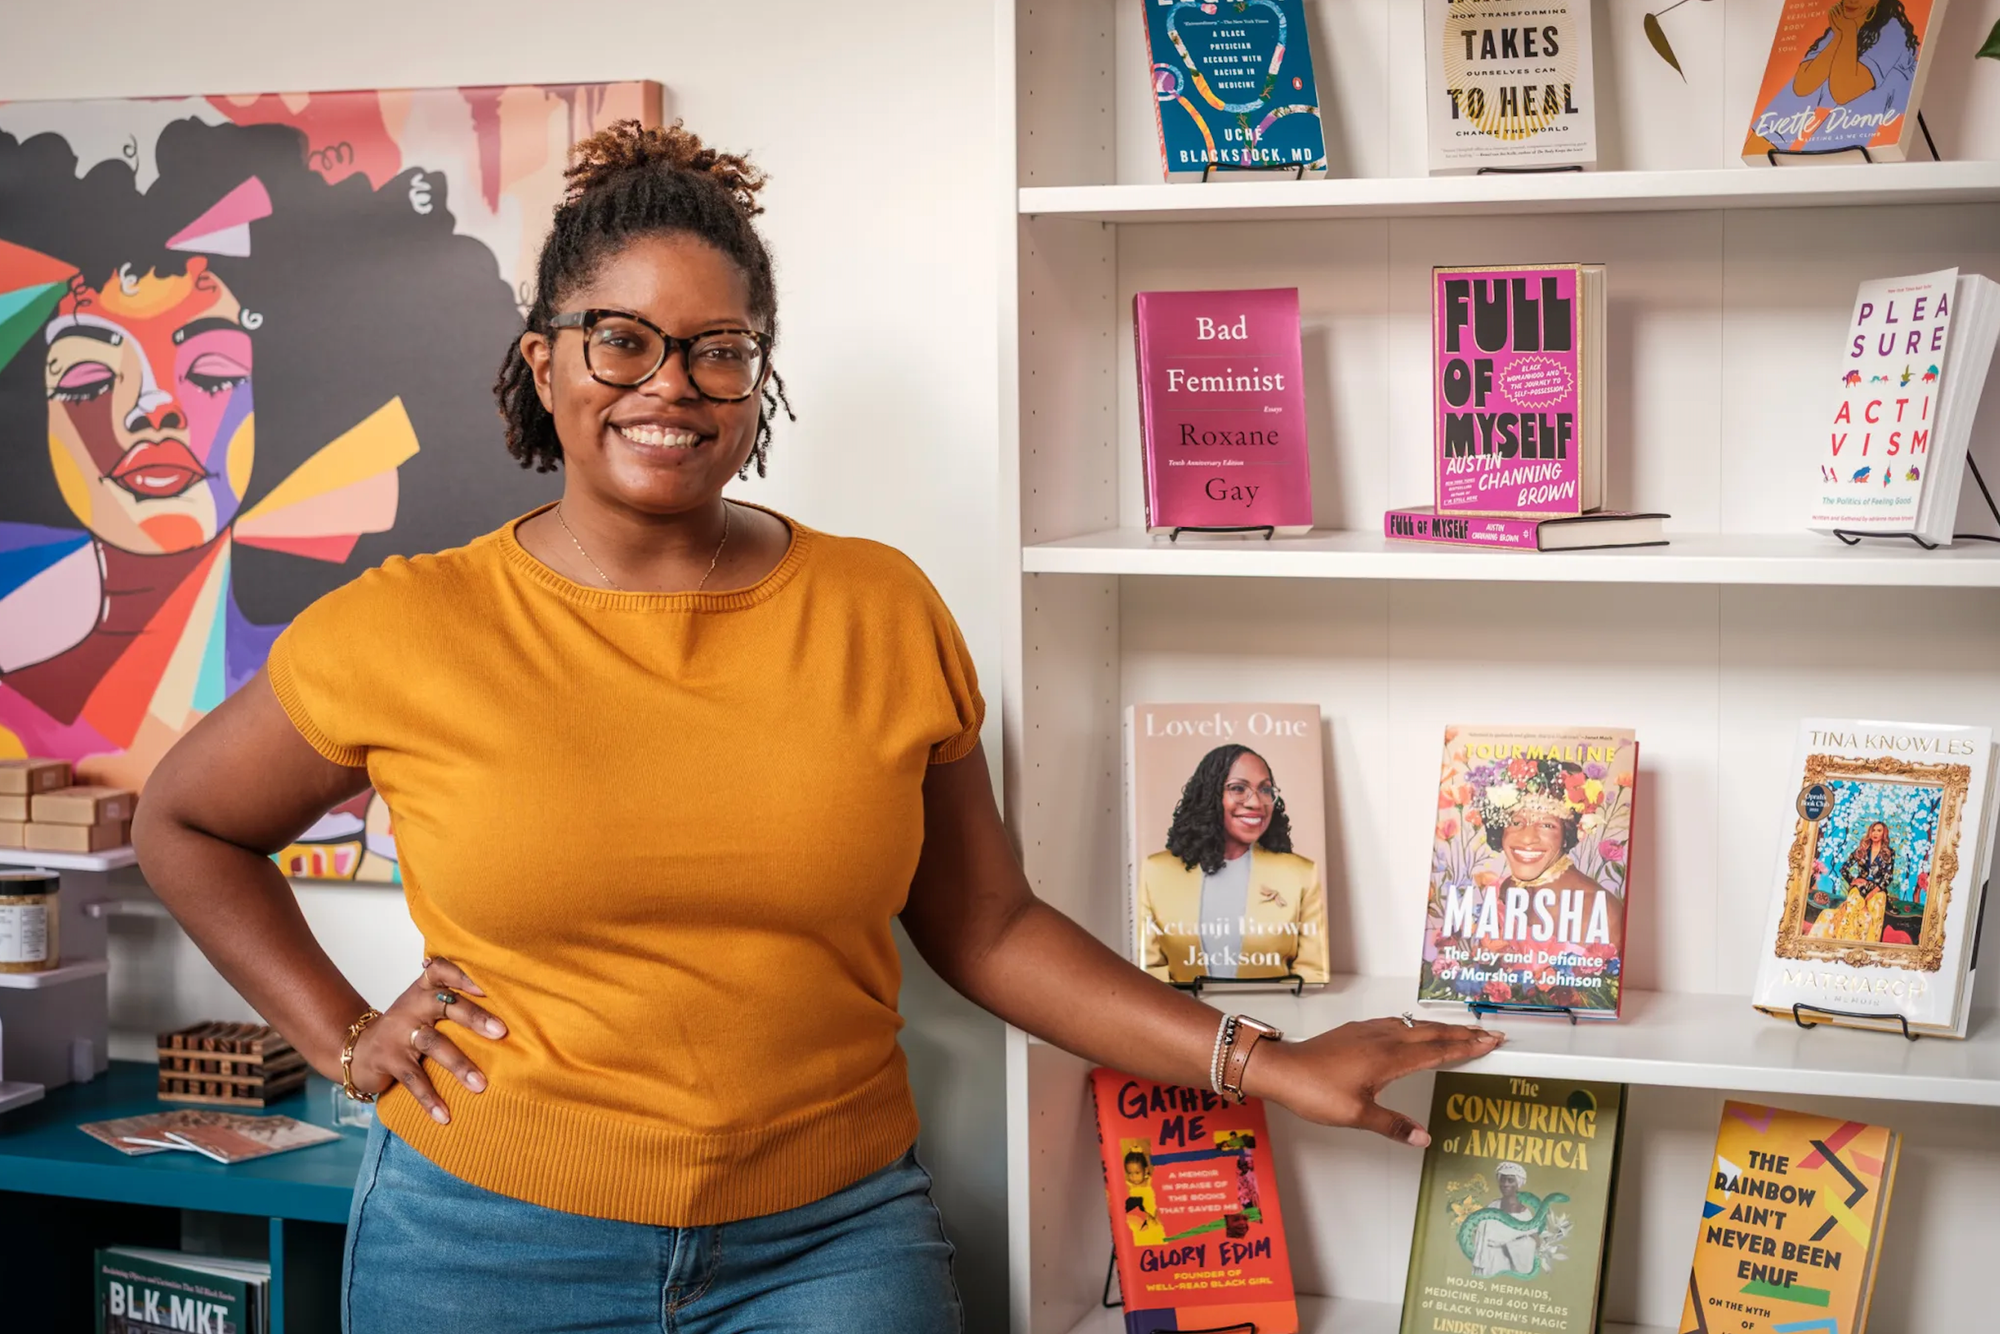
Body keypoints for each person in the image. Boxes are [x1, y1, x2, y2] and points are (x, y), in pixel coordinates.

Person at [133, 120, 1501, 1334]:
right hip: (484, 1242)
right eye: (621, 340)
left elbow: (989, 928)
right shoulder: (409, 625)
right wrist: (339, 1029)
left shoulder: (879, 605)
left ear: (758, 387)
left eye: (718, 351)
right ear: (543, 362)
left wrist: (1258, 1062)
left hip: (828, 1246)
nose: (669, 385)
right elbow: (185, 819)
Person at [1136, 744, 1329, 984]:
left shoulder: (1302, 874)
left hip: (1272, 1013)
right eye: (1238, 788)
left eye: (1265, 789)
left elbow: (1312, 975)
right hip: (1184, 1016)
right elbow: (1148, 973)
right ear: (1209, 795)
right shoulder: (1156, 872)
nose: (1256, 803)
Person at [1746, 0, 1921, 157]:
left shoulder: (1893, 30)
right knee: (1808, 79)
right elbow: (1802, 86)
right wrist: (1840, 35)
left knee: (1870, 92)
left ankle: (1828, 159)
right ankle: (1763, 152)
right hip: (1846, 86)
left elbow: (1844, 93)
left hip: (1887, 103)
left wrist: (1848, 32)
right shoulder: (1844, 22)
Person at [1810, 820, 1895, 942]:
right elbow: (1843, 868)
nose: (1875, 833)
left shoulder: (1889, 853)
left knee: (1875, 905)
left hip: (1878, 890)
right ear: (1870, 832)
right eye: (1873, 830)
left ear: (1884, 833)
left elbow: (1888, 876)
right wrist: (1854, 880)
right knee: (1853, 907)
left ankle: (1869, 942)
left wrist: (1873, 892)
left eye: (1879, 830)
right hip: (1859, 889)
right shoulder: (1861, 850)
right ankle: (1845, 939)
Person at [1466, 1163, 1542, 1279]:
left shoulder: (1524, 1214)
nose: (1505, 1184)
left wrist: (1508, 1245)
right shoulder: (1492, 1206)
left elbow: (1534, 1242)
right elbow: (1480, 1232)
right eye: (1502, 1180)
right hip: (1486, 1265)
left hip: (1505, 1266)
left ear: (1518, 1184)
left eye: (1510, 1180)